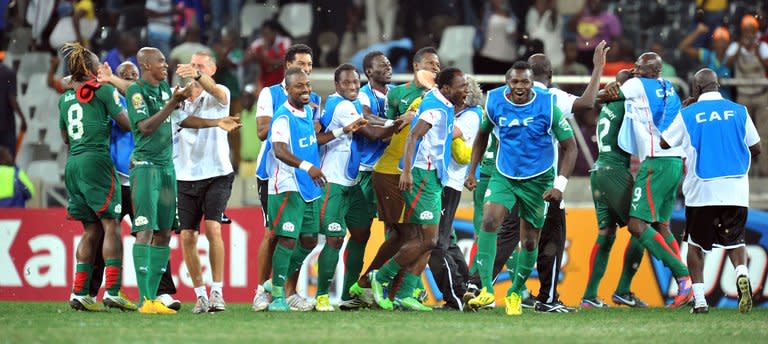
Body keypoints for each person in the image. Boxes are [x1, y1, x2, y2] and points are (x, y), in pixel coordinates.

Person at [100, 47, 239, 314]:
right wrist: (173, 102)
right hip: (161, 171)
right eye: (161, 61)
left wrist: (214, 119)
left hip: (188, 172)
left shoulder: (188, 91)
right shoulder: (157, 93)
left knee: (180, 232)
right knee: (160, 233)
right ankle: (156, 298)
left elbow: (189, 114)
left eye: (200, 65)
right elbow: (146, 118)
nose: (169, 65)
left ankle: (186, 294)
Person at [464, 61, 578, 316]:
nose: (519, 86)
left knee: (528, 242)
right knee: (490, 222)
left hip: (538, 180)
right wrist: (472, 170)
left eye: (524, 82)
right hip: (503, 175)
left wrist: (559, 185)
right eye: (514, 82)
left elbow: (571, 147)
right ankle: (486, 291)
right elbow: (482, 135)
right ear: (507, 82)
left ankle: (515, 292)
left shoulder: (548, 106)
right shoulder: (493, 101)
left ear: (532, 82)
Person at [264, 67, 366, 311]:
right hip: (287, 185)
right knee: (288, 240)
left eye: (307, 85)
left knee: (309, 239)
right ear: (287, 89)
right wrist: (308, 166)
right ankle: (278, 296)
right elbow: (279, 150)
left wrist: (342, 131)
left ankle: (273, 283)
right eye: (299, 86)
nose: (306, 90)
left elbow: (314, 140)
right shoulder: (282, 117)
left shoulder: (307, 113)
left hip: (308, 187)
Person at [662, 68, 760, 314]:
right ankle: (741, 273)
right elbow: (756, 147)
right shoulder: (740, 111)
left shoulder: (689, 114)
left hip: (702, 190)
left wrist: (687, 109)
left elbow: (665, 142)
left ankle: (700, 301)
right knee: (735, 239)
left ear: (696, 89)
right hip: (736, 187)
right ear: (718, 86)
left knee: (695, 245)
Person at [599, 52, 693, 308]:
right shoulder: (668, 86)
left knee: (637, 225)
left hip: (655, 162)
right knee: (661, 227)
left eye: (639, 68)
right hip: (674, 161)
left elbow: (602, 98)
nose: (635, 71)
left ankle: (684, 278)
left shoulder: (636, 84)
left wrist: (609, 86)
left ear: (648, 72)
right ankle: (687, 287)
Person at [352, 47, 441, 309]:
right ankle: (370, 283)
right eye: (430, 64)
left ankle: (393, 290)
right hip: (388, 170)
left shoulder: (434, 95)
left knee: (410, 235)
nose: (435, 68)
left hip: (415, 172)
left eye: (438, 65)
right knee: (403, 235)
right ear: (416, 66)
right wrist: (402, 121)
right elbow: (384, 129)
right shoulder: (399, 94)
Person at [57, 42, 136, 312]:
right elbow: (126, 123)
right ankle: (113, 290)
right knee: (111, 226)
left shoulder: (65, 98)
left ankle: (80, 292)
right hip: (97, 162)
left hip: (73, 164)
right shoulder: (103, 90)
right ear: (91, 68)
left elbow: (65, 137)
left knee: (91, 230)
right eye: (97, 64)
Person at [314, 63, 397, 311]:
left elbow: (368, 118)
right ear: (337, 85)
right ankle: (320, 296)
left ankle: (349, 293)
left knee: (361, 234)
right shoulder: (340, 106)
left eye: (355, 82)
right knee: (334, 239)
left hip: (352, 183)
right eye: (346, 83)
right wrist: (402, 126)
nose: (352, 86)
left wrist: (394, 121)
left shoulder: (349, 105)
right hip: (333, 183)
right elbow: (371, 133)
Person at [251, 44, 322, 313]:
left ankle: (288, 291)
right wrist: (291, 113)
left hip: (304, 176)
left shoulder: (311, 97)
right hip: (272, 173)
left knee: (303, 236)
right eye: (301, 64)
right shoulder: (271, 95)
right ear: (287, 66)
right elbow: (261, 132)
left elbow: (313, 135)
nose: (305, 70)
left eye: (309, 66)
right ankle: (262, 290)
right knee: (275, 234)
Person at [174, 51, 242, 314]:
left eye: (200, 66)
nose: (193, 69)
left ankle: (217, 292)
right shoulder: (177, 96)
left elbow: (216, 91)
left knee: (213, 228)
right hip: (184, 174)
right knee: (188, 235)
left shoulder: (218, 93)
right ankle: (200, 295)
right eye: (191, 65)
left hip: (217, 173)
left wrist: (199, 77)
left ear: (212, 70)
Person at [580, 69, 649, 308]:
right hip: (616, 170)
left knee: (606, 234)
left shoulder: (609, 105)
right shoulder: (626, 104)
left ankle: (589, 296)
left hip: (599, 171)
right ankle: (623, 290)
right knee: (641, 227)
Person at [338, 50, 394, 310]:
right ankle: (353, 289)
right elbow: (366, 119)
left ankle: (391, 288)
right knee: (360, 233)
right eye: (382, 65)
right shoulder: (361, 95)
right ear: (369, 72)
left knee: (396, 231)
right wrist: (394, 122)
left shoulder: (393, 94)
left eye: (389, 63)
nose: (389, 67)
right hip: (366, 171)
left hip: (389, 170)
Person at [427, 74, 481, 311]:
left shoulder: (472, 116)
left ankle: (453, 296)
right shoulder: (457, 113)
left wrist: (425, 114)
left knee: (435, 243)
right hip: (444, 181)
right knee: (446, 241)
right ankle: (466, 290)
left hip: (449, 185)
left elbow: (447, 133)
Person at [725, 15, 768, 176]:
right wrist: (739, 49)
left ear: (756, 31)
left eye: (752, 31)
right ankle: (746, 169)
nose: (749, 34)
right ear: (743, 31)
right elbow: (728, 65)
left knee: (764, 135)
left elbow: (767, 66)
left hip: (761, 95)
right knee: (743, 136)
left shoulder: (762, 46)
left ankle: (765, 170)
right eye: (747, 31)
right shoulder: (735, 46)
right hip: (743, 96)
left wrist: (756, 51)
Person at [679, 24, 733, 100]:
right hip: (708, 99)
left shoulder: (731, 58)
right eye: (718, 41)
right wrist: (698, 31)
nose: (721, 45)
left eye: (723, 42)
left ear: (728, 44)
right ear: (714, 43)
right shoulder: (707, 55)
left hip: (726, 100)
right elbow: (683, 47)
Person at [567, 0, 621, 69]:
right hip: (580, 53)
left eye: (597, 2)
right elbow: (570, 27)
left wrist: (611, 54)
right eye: (591, 2)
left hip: (600, 52)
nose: (594, 4)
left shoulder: (610, 17)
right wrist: (582, 9)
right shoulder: (581, 16)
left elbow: (615, 39)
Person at [247, 20, 291, 89]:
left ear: (275, 33)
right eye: (263, 34)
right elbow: (245, 59)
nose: (264, 37)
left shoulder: (284, 41)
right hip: (265, 83)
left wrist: (263, 58)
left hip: (282, 82)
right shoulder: (259, 43)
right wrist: (253, 56)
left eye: (267, 34)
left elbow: (284, 61)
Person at [0, 53, 26, 158]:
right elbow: (12, 99)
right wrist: (23, 119)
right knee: (8, 159)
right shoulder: (9, 73)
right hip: (6, 124)